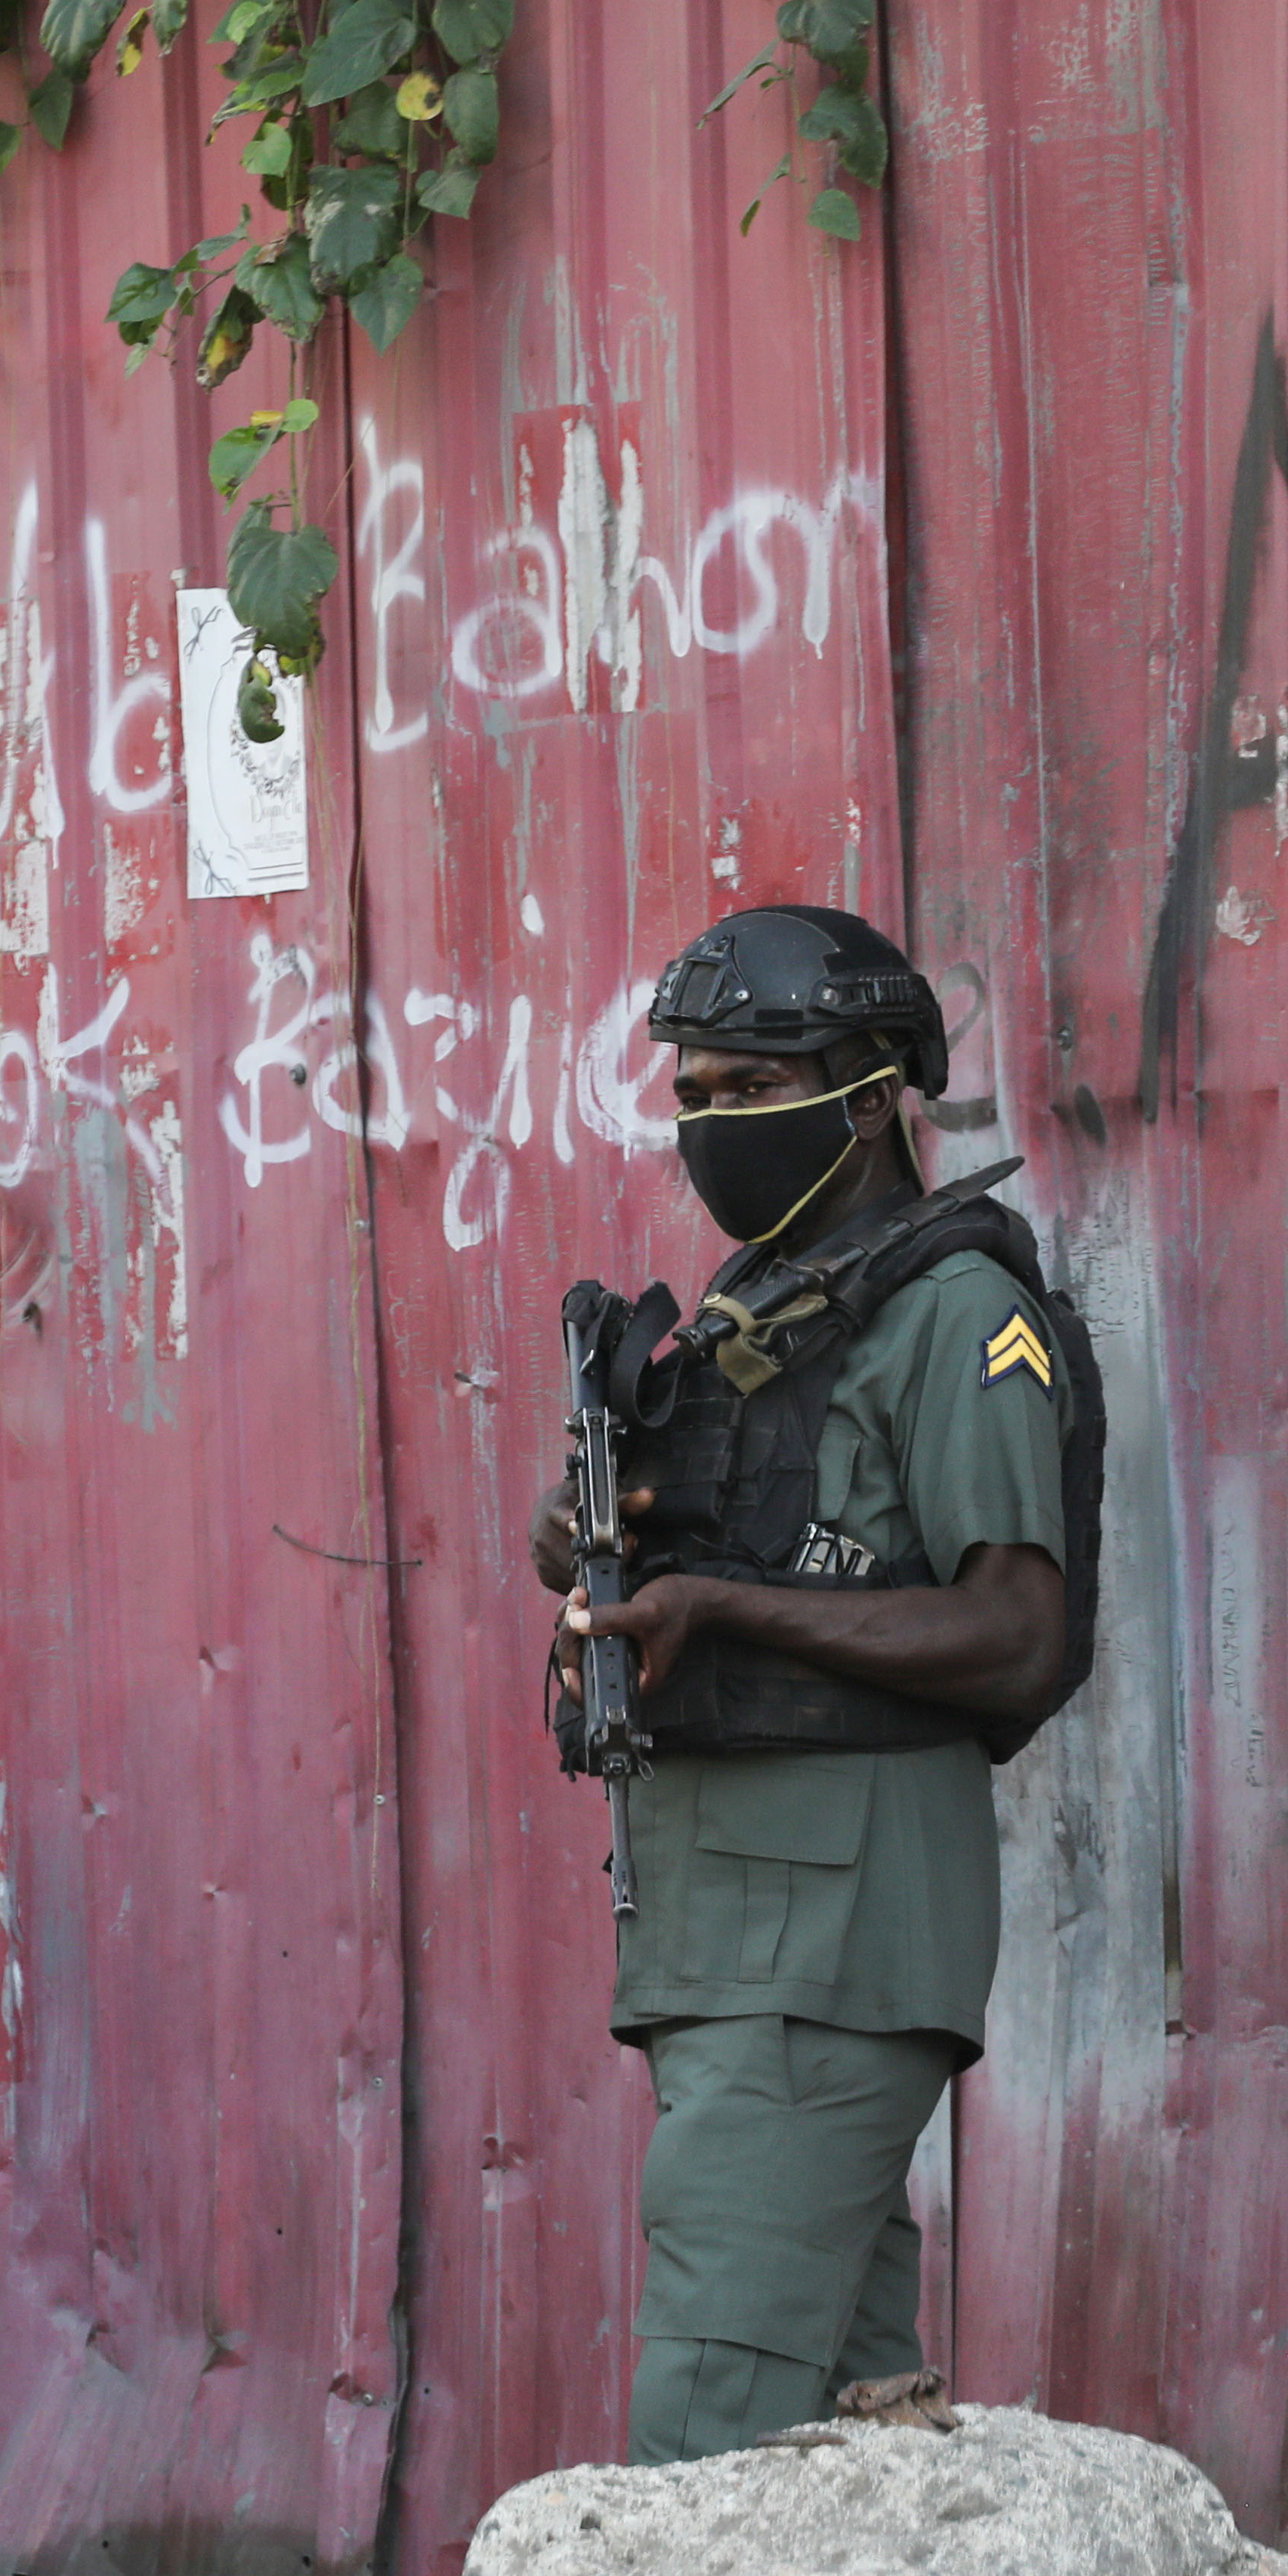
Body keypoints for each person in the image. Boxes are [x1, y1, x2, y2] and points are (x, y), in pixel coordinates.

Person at [528, 903, 1093, 2466]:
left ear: (864, 1096)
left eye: (740, 1085)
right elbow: (740, 1554)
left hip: (826, 1950)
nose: (705, 1122)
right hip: (731, 1949)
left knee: (707, 2442)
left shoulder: (960, 1315)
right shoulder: (755, 1309)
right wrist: (598, 1548)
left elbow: (1015, 1629)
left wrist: (731, 1611)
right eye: (690, 1091)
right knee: (852, 2452)